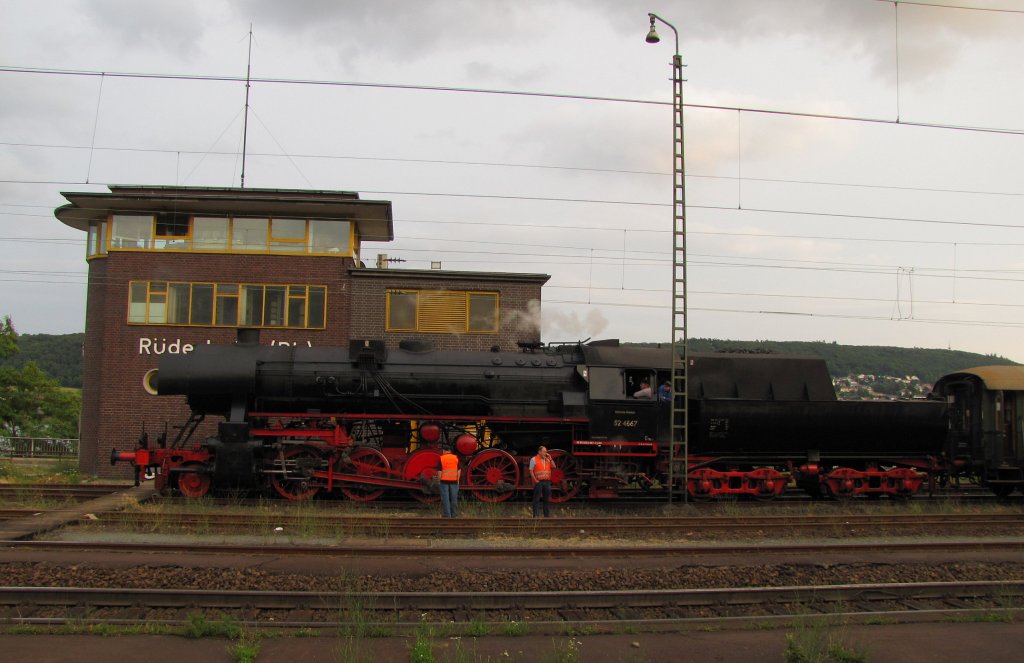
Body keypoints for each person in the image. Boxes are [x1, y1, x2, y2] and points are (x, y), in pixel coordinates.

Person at [529, 445, 554, 518]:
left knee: (546, 499)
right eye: (544, 451)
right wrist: (535, 480)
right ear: (539, 452)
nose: (545, 453)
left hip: (547, 482)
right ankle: (536, 515)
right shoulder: (534, 459)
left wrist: (550, 458)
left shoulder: (548, 459)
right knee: (536, 499)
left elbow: (554, 466)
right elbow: (531, 470)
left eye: (546, 451)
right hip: (539, 482)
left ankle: (546, 515)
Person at [437, 445, 461, 518]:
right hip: (454, 481)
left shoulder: (442, 458)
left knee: (445, 499)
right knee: (454, 498)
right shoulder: (455, 458)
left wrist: (439, 480)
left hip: (444, 481)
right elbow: (459, 470)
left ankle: (447, 515)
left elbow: (439, 471)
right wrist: (458, 480)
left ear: (444, 451)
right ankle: (454, 515)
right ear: (450, 451)